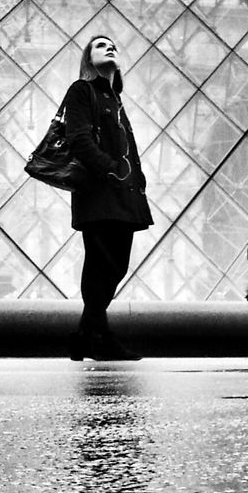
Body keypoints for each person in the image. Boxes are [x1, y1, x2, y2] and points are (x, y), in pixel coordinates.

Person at [63, 33, 152, 360]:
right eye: (99, 45)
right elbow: (78, 139)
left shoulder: (115, 100)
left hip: (124, 196)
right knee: (103, 264)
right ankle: (98, 336)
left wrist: (136, 179)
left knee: (116, 266)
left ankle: (85, 335)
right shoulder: (82, 90)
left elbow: (128, 147)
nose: (109, 46)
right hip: (99, 193)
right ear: (88, 59)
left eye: (112, 44)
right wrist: (110, 169)